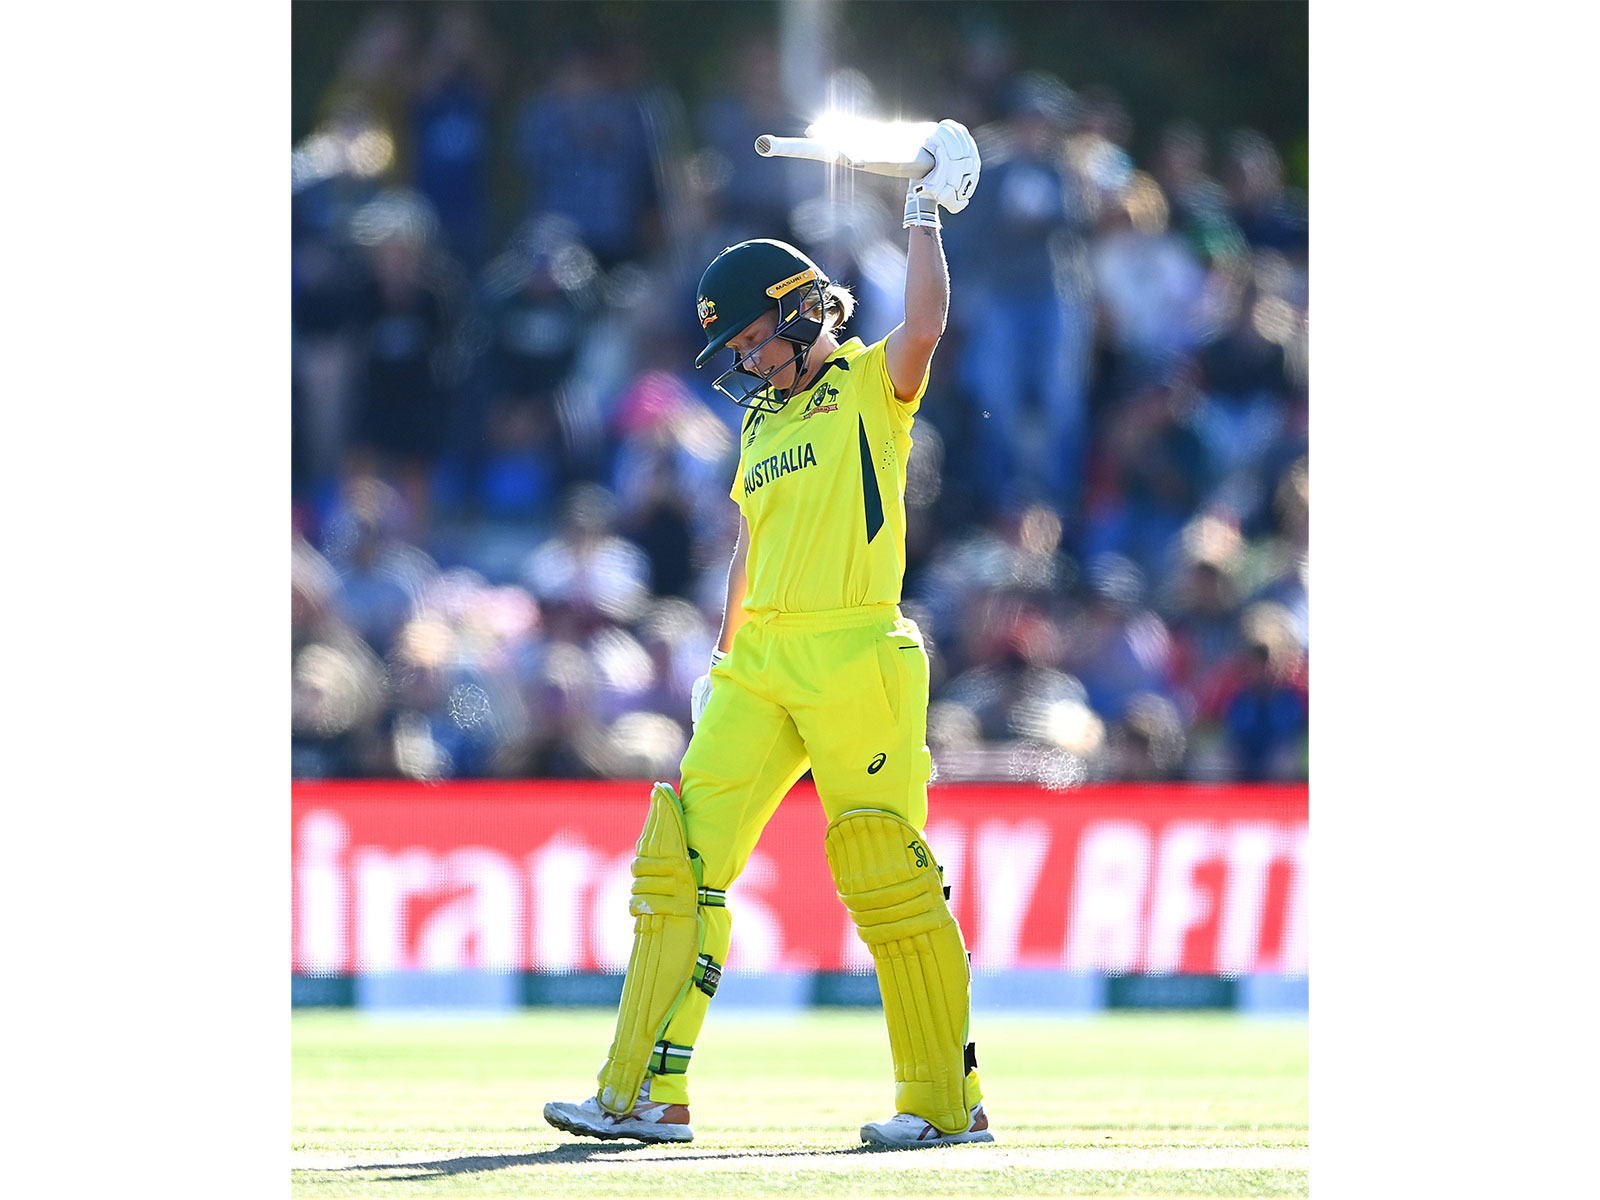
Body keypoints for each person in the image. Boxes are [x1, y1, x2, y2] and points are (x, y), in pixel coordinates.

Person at [544, 120, 992, 1149]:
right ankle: (642, 1094)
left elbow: (923, 326)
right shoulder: (759, 422)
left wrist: (923, 209)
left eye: (750, 338)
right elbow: (750, 545)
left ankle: (941, 1102)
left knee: (884, 867)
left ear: (799, 314)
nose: (743, 360)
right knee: (677, 861)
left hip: (857, 652)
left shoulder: (872, 387)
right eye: (734, 348)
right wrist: (721, 655)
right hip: (758, 663)